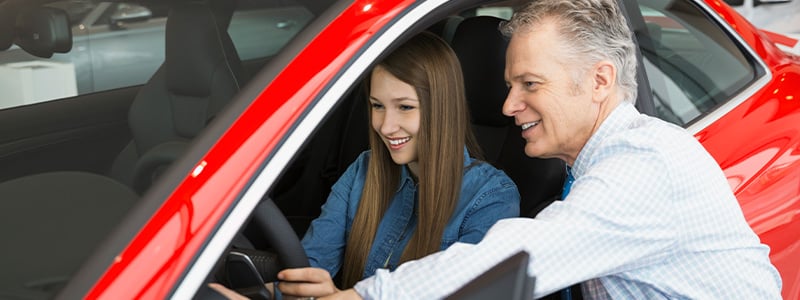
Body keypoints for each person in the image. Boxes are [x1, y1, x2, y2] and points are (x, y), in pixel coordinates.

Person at [276, 0, 783, 299]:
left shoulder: (640, 165)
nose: (509, 104)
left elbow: (516, 256)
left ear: (599, 80)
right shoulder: (593, 165)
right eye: (509, 84)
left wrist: (365, 296)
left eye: (530, 84)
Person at [210, 31, 521, 298]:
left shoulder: (491, 198)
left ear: (441, 109)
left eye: (405, 107)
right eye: (377, 106)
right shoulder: (364, 169)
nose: (386, 126)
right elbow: (312, 265)